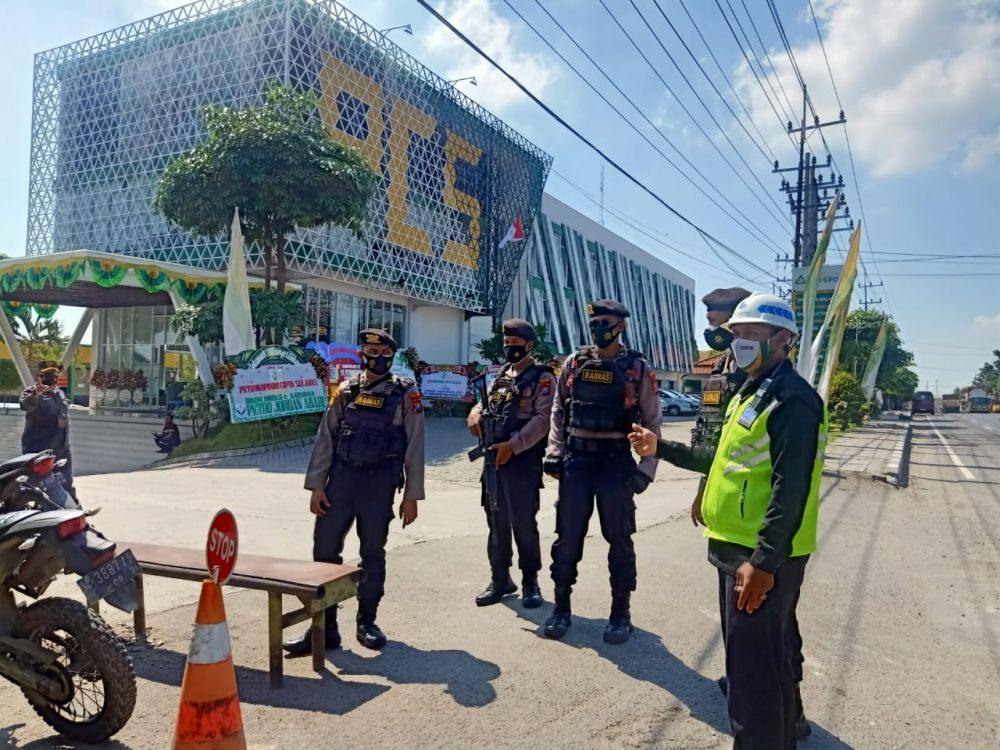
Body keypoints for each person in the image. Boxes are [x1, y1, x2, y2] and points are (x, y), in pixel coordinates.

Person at [629, 292, 826, 749]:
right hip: (734, 549)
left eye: (751, 335)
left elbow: (790, 488)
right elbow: (719, 460)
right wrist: (662, 448)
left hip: (757, 558)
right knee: (759, 669)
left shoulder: (793, 400)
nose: (739, 343)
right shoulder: (751, 390)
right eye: (736, 334)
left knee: (752, 683)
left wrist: (764, 561)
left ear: (784, 340)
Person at [284, 328, 425, 654]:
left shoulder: (406, 393)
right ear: (362, 354)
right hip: (341, 484)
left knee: (372, 554)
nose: (376, 358)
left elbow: (415, 446)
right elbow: (326, 438)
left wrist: (412, 495)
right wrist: (317, 485)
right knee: (324, 553)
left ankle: (367, 621)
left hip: (378, 486)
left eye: (383, 353)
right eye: (370, 352)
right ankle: (324, 630)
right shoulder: (347, 390)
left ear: (393, 355)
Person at [542, 299, 662, 644]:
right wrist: (554, 452)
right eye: (595, 321)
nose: (599, 327)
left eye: (606, 322)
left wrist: (646, 469)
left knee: (620, 540)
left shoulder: (637, 367)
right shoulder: (574, 362)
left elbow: (653, 421)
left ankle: (620, 614)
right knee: (567, 540)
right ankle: (561, 608)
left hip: (615, 463)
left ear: (620, 326)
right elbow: (558, 411)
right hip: (577, 463)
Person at [467, 318, 556, 609]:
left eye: (515, 345)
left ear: (529, 345)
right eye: (507, 345)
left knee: (523, 522)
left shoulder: (543, 378)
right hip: (493, 460)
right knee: (496, 521)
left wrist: (514, 445)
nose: (510, 350)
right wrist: (475, 413)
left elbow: (544, 419)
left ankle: (531, 582)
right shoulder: (502, 375)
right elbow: (486, 402)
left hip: (521, 461)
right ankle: (500, 578)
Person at [20, 360, 75, 497]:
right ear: (39, 377)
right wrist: (36, 394)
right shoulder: (31, 392)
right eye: (48, 375)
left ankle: (75, 513)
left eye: (55, 374)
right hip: (40, 451)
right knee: (37, 488)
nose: (53, 378)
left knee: (67, 485)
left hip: (61, 449)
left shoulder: (59, 394)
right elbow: (25, 405)